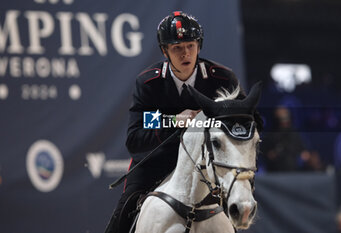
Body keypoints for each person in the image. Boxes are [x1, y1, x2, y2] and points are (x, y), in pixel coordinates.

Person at [104, 11, 261, 233]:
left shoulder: (222, 78)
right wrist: (173, 120)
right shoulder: (149, 81)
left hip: (207, 163)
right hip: (157, 161)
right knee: (124, 212)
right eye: (177, 48)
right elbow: (135, 135)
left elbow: (250, 120)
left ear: (199, 46)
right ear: (164, 51)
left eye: (190, 45)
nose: (185, 53)